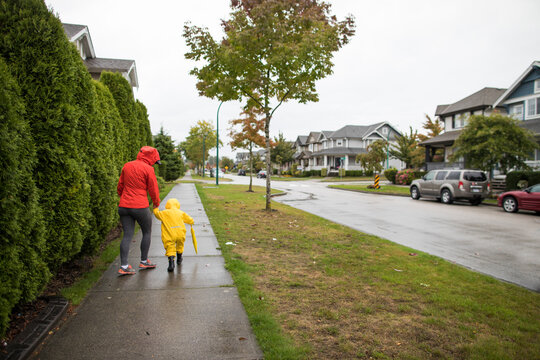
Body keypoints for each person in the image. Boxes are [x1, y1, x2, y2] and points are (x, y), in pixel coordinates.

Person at [117, 146, 161, 275]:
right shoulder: (148, 169)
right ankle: (144, 261)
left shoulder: (127, 165)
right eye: (154, 160)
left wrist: (123, 196)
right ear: (151, 158)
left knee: (127, 235)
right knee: (146, 232)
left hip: (124, 206)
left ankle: (124, 266)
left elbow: (120, 185)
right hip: (140, 206)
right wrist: (156, 204)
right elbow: (153, 189)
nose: (154, 163)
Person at [153, 198, 194, 272]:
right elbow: (190, 219)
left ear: (167, 205)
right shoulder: (180, 212)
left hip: (169, 234)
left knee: (170, 247)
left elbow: (156, 214)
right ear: (177, 205)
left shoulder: (164, 213)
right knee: (180, 245)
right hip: (180, 234)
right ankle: (179, 258)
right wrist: (191, 221)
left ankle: (171, 263)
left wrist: (155, 208)